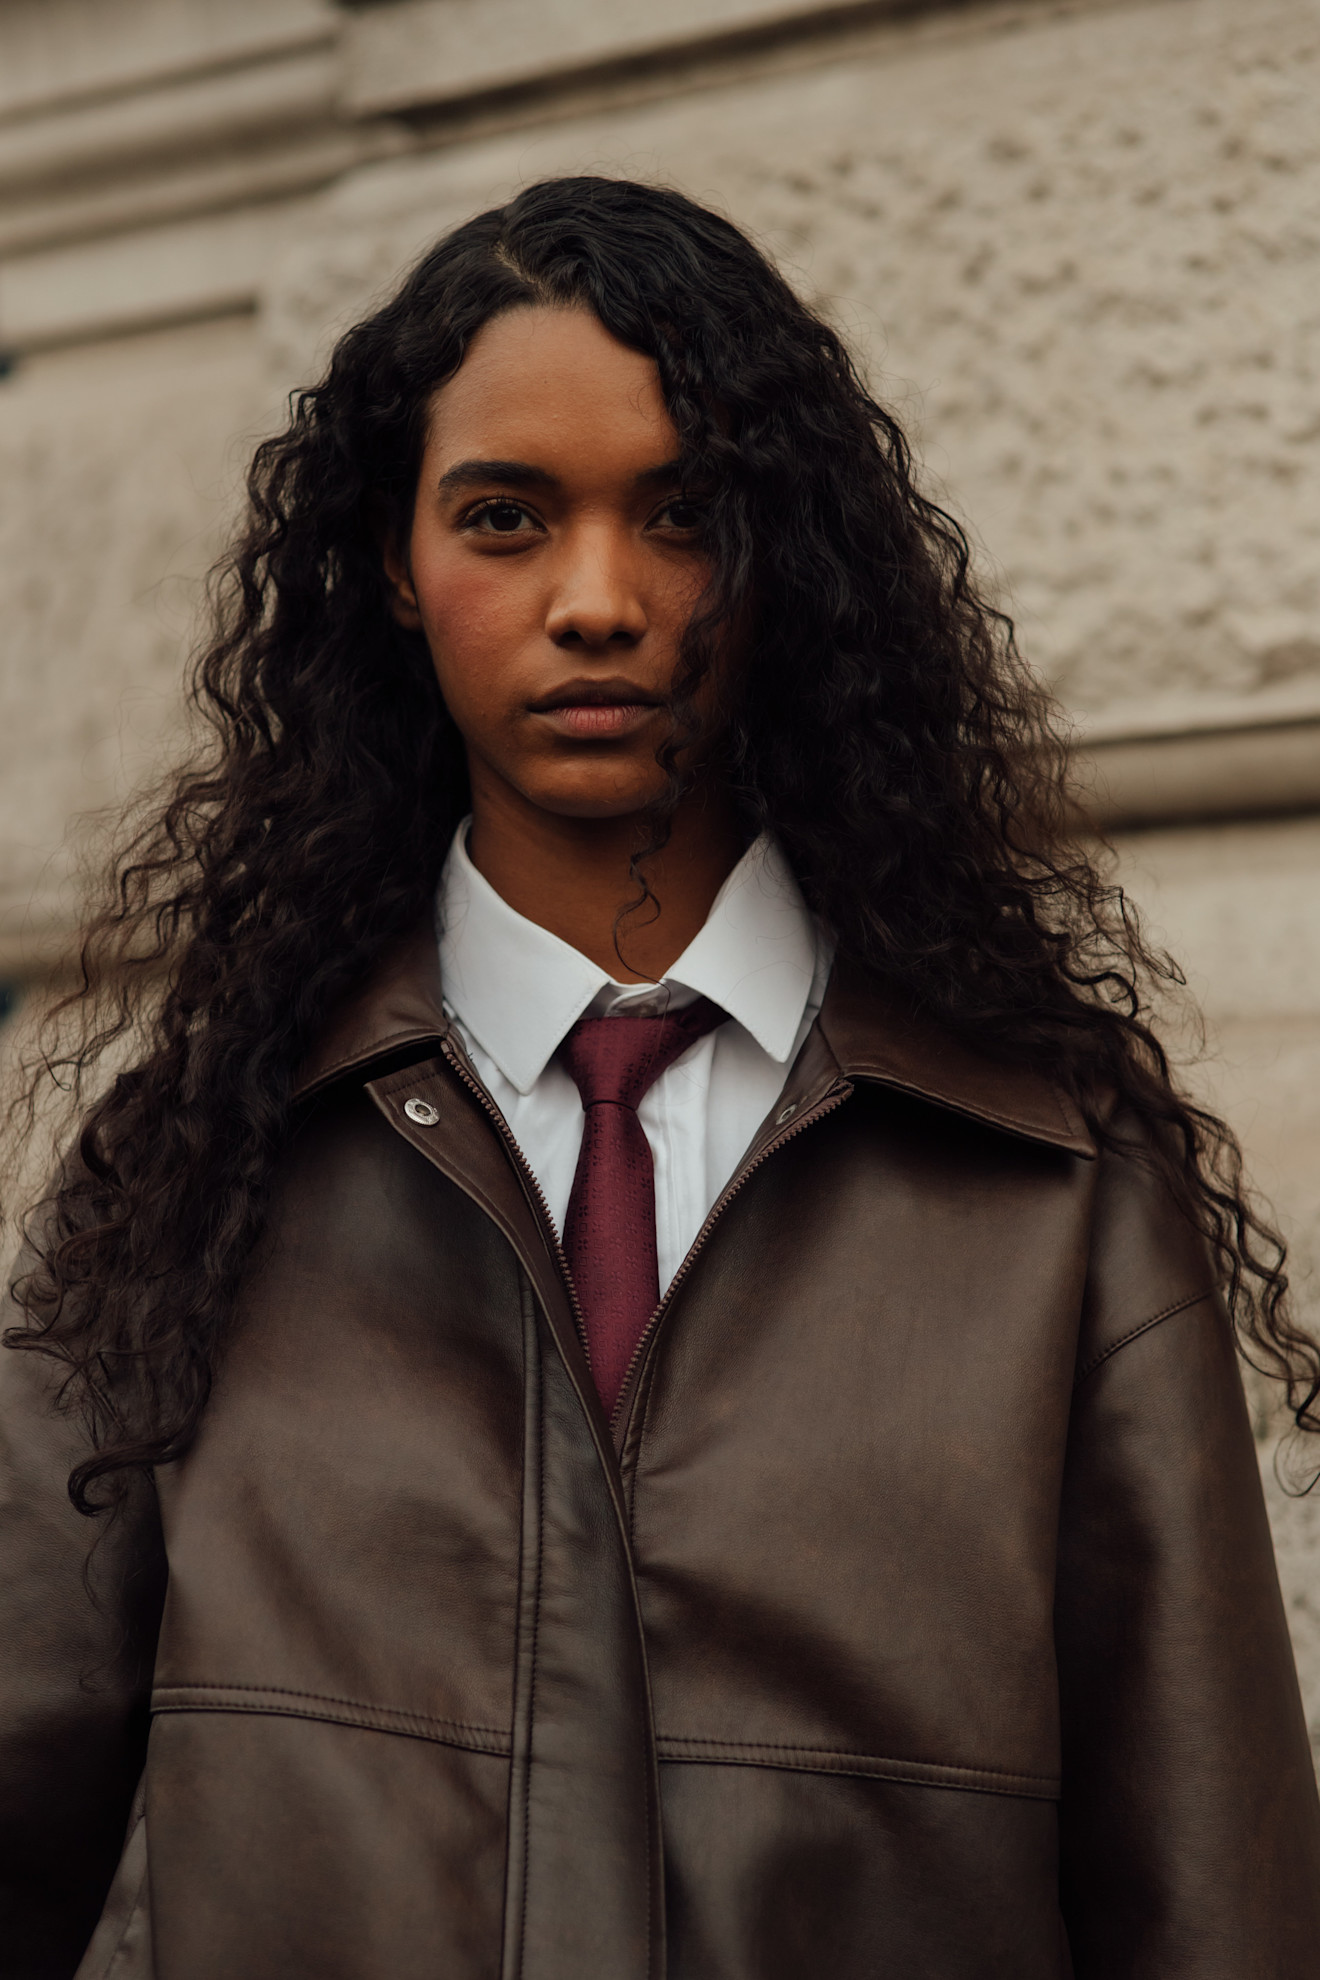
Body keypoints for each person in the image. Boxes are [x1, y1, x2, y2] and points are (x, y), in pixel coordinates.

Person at [2, 176, 1318, 1980]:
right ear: (394, 562)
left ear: (779, 561)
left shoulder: (1054, 1198)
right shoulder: (199, 1167)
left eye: (682, 517)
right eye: (506, 519)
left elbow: (1219, 1910)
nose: (599, 602)